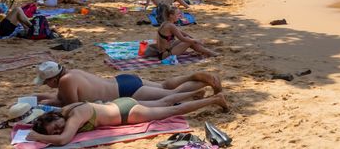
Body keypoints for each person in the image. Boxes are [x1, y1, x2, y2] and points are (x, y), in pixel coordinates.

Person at [26, 91, 228, 146]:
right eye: (55, 131)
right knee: (165, 100)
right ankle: (197, 92)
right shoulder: (67, 110)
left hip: (127, 114)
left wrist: (38, 137)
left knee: (172, 110)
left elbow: (63, 140)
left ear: (52, 117)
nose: (58, 130)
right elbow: (57, 130)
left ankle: (214, 99)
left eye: (55, 127)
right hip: (121, 103)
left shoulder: (74, 116)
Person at [32, 61, 222, 107]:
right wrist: (35, 99)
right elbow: (59, 97)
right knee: (164, 86)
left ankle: (200, 85)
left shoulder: (65, 82)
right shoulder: (72, 73)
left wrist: (49, 104)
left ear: (54, 79)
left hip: (125, 93)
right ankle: (194, 77)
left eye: (46, 82)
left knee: (169, 97)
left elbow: (72, 105)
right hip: (123, 80)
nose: (46, 86)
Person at [144, 6, 218, 60]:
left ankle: (204, 51)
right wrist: (196, 40)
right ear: (171, 16)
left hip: (164, 51)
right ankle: (209, 52)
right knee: (188, 41)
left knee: (190, 39)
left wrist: (193, 39)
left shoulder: (166, 23)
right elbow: (182, 38)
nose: (179, 16)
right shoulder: (170, 26)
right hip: (166, 55)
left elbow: (183, 33)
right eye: (177, 14)